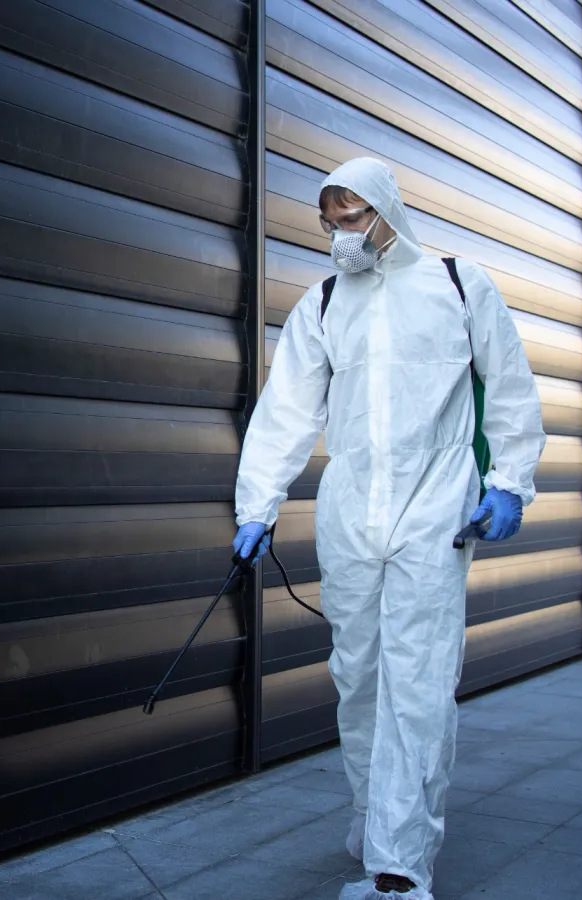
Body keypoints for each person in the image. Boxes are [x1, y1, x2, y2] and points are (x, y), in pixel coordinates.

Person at [232, 158, 545, 900]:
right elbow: (287, 410)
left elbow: (508, 386)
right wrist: (257, 503)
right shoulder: (325, 301)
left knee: (417, 679)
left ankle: (400, 865)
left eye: (353, 218)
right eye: (330, 223)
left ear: (386, 211)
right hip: (351, 509)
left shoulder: (459, 284)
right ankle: (377, 817)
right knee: (358, 677)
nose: (342, 235)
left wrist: (509, 482)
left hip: (435, 504)